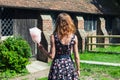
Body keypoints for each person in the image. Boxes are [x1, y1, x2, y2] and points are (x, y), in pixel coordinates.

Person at [38, 13, 80, 80]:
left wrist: (42, 49)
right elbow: (76, 57)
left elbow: (52, 56)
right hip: (69, 65)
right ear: (69, 23)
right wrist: (78, 69)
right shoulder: (74, 37)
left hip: (57, 66)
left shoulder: (53, 37)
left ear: (57, 23)